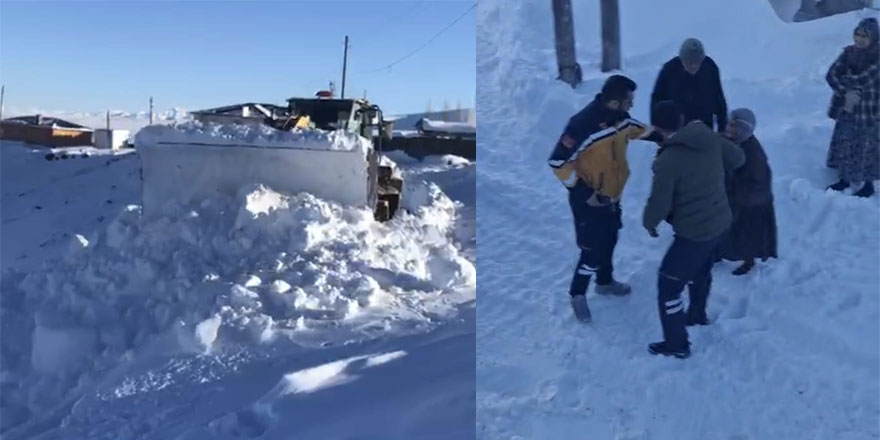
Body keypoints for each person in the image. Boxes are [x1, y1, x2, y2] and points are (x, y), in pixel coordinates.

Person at [548, 75, 663, 322]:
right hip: (588, 201)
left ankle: (604, 282)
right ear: (614, 102)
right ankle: (578, 294)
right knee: (591, 251)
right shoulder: (582, 125)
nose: (631, 105)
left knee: (610, 240)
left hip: (612, 197)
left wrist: (663, 136)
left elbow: (636, 129)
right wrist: (584, 194)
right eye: (628, 100)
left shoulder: (620, 120)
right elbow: (557, 162)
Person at [642, 101, 745, 358]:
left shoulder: (668, 160)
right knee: (701, 267)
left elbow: (660, 203)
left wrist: (649, 222)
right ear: (682, 118)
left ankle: (677, 343)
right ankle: (697, 314)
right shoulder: (707, 137)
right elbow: (738, 158)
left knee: (668, 284)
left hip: (694, 232)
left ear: (657, 127)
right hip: (720, 221)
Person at [825, 17, 879, 198]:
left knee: (866, 145)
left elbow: (866, 79)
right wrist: (845, 92)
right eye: (857, 34)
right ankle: (845, 179)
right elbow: (831, 75)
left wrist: (845, 80)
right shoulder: (848, 53)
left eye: (865, 36)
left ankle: (868, 183)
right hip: (848, 106)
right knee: (845, 141)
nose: (859, 39)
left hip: (870, 110)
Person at [721, 108, 778, 275]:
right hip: (738, 198)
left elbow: (757, 184)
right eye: (729, 124)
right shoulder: (734, 142)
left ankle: (748, 261)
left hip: (752, 203)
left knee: (747, 237)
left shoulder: (754, 155)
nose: (729, 128)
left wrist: (732, 193)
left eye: (734, 126)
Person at [650, 38, 729, 132]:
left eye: (697, 63)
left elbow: (719, 99)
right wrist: (657, 128)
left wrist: (722, 129)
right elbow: (657, 99)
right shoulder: (669, 69)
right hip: (676, 129)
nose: (694, 67)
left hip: (704, 128)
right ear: (682, 60)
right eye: (690, 63)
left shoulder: (710, 68)